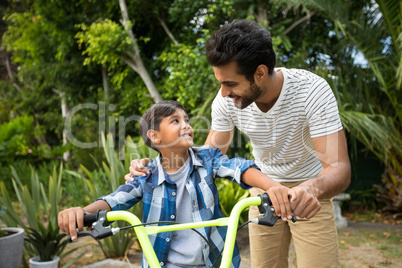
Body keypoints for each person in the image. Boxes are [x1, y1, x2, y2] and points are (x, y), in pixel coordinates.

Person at [125, 20, 351, 268]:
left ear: (260, 73)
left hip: (310, 190)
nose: (223, 93)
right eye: (220, 83)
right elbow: (206, 157)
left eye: (231, 84)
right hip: (263, 192)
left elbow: (338, 168)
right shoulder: (226, 102)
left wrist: (310, 189)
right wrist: (159, 162)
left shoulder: (312, 91)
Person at [58, 100, 293, 268]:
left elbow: (238, 168)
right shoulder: (145, 176)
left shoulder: (207, 158)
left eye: (187, 120)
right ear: (155, 137)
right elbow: (115, 200)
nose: (186, 125)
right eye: (175, 121)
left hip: (213, 261)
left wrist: (271, 186)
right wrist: (82, 212)